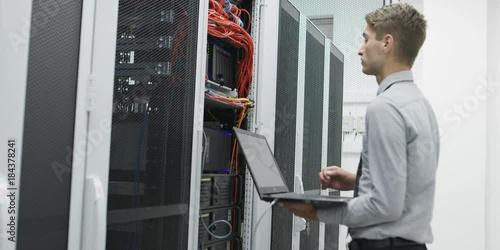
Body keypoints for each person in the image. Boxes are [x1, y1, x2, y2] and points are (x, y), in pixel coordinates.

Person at [279, 3, 439, 250]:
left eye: (366, 40)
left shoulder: (385, 107)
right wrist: (358, 181)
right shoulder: (420, 104)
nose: (360, 50)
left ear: (387, 43)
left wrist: (314, 211)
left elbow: (384, 207)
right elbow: (410, 182)